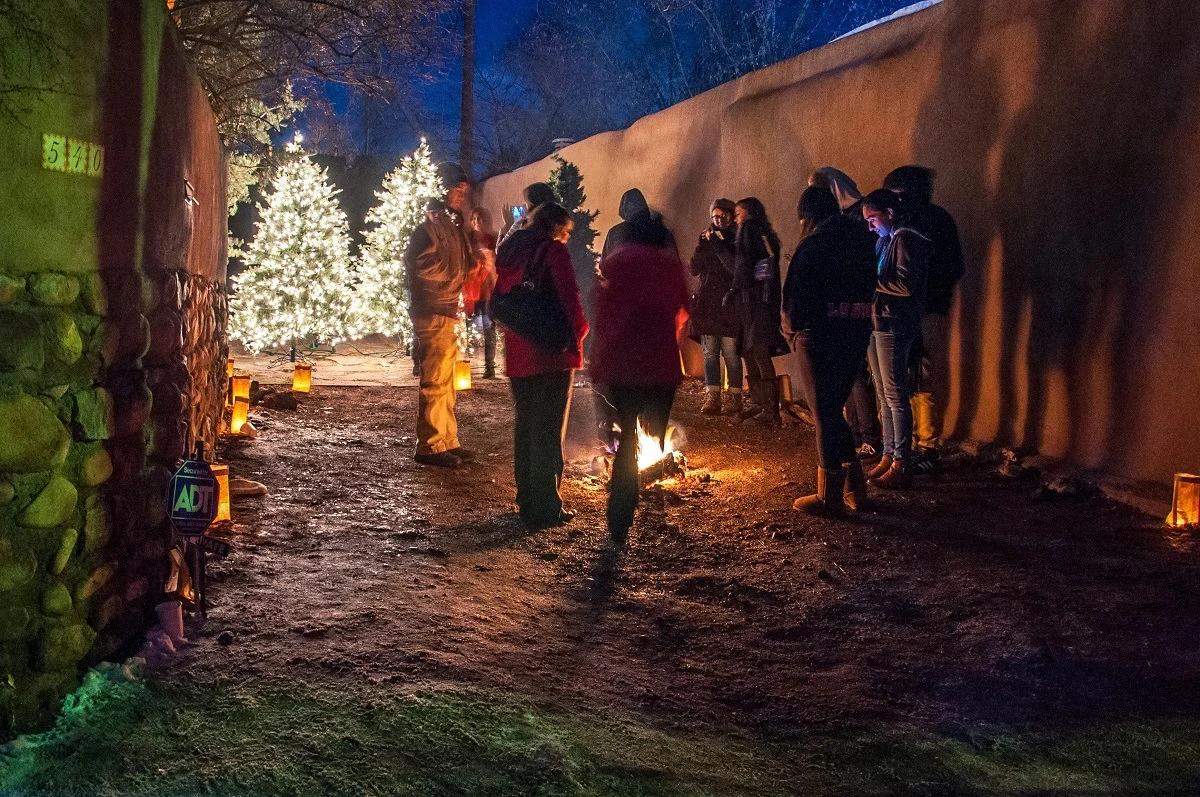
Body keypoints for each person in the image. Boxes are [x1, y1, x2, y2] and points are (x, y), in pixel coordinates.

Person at [591, 211, 688, 541]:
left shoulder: (614, 263)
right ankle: (653, 490)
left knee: (627, 437)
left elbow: (600, 310)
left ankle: (620, 512)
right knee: (654, 432)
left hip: (622, 363)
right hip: (659, 363)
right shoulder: (668, 266)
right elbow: (682, 307)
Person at [783, 186, 879, 515]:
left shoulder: (813, 245)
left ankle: (829, 496)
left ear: (807, 216)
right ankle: (856, 490)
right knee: (833, 409)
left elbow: (795, 298)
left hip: (817, 336)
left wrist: (792, 330)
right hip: (855, 331)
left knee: (824, 413)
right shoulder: (862, 241)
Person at [495, 203, 589, 529]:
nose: (566, 238)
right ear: (556, 228)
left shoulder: (510, 254)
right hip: (550, 354)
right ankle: (547, 506)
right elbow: (569, 297)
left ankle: (526, 501)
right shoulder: (552, 251)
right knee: (549, 432)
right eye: (565, 232)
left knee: (526, 427)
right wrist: (580, 331)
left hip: (518, 354)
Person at [882, 166, 965, 463]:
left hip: (926, 309)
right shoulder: (917, 220)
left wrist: (925, 291)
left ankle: (926, 445)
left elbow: (952, 266)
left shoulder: (929, 222)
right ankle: (912, 443)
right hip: (912, 308)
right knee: (906, 374)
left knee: (922, 372)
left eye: (898, 196)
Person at [594, 188, 678, 450]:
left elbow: (603, 284)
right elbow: (678, 295)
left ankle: (626, 468)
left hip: (624, 348)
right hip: (659, 347)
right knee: (655, 408)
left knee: (626, 421)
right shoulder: (663, 240)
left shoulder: (616, 239)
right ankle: (655, 448)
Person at [404, 162, 475, 468]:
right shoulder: (429, 224)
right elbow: (420, 264)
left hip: (447, 308)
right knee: (434, 380)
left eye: (464, 191)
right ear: (442, 187)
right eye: (456, 189)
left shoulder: (451, 224)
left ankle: (447, 440)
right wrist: (454, 276)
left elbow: (460, 262)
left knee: (446, 380)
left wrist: (472, 268)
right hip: (432, 309)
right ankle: (430, 445)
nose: (461, 195)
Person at [809, 167, 883, 461]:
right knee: (849, 375)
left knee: (857, 375)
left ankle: (868, 435)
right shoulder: (844, 222)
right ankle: (852, 431)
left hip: (854, 309)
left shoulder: (854, 222)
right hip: (847, 308)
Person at [861, 189, 932, 489]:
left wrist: (867, 281)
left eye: (873, 218)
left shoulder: (905, 239)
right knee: (883, 393)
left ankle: (902, 461)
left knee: (895, 395)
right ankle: (889, 456)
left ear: (889, 212)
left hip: (894, 324)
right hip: (879, 322)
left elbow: (905, 285)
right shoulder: (884, 240)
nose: (870, 226)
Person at [724, 197, 787, 426]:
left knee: (758, 350)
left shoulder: (750, 231)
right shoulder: (762, 233)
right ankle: (760, 404)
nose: (736, 218)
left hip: (756, 301)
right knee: (750, 350)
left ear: (748, 214)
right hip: (755, 300)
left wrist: (735, 288)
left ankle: (769, 410)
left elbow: (744, 264)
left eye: (738, 214)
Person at [686, 198, 742, 415]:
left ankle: (735, 397)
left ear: (730, 216)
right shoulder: (707, 239)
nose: (718, 221)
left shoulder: (737, 238)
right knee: (710, 354)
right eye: (714, 217)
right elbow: (694, 268)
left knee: (731, 353)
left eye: (723, 216)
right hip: (708, 305)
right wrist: (702, 245)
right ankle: (712, 396)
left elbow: (734, 268)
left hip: (729, 304)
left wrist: (718, 243)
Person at [465, 207, 499, 378]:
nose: (477, 222)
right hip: (471, 291)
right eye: (474, 219)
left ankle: (489, 366)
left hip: (487, 292)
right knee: (468, 329)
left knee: (488, 328)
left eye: (480, 219)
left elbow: (496, 265)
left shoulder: (491, 240)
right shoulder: (468, 240)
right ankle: (465, 367)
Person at [498, 182, 557, 247]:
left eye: (526, 203)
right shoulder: (554, 224)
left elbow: (503, 251)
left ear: (534, 206)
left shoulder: (538, 232)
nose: (523, 206)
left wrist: (509, 226)